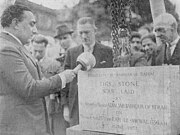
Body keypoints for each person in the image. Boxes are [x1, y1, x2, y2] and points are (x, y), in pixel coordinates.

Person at [0, 4, 75, 135]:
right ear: (16, 23)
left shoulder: (16, 46)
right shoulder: (7, 49)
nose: (35, 30)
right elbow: (30, 89)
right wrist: (62, 78)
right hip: (21, 126)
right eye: (31, 24)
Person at [61, 17, 113, 126]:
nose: (84, 36)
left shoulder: (107, 52)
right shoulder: (71, 53)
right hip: (77, 105)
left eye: (87, 32)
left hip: (101, 105)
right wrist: (65, 107)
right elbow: (65, 82)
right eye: (81, 33)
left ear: (95, 31)